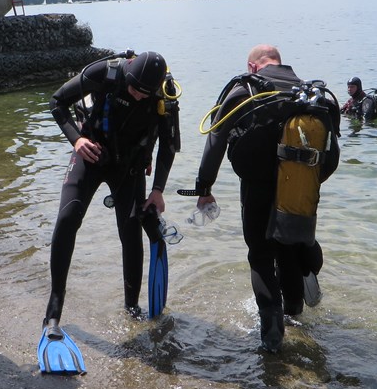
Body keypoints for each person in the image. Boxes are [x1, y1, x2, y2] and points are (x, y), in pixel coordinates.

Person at [186, 45, 338, 352]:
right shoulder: (308, 93)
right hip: (298, 186)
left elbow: (215, 139)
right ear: (279, 62)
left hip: (256, 187)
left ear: (252, 66)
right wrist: (308, 183)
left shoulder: (245, 89)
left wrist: (204, 187)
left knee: (260, 256)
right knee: (289, 249)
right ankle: (294, 314)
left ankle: (272, 335)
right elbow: (331, 155)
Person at [40, 50, 179, 370]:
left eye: (144, 93)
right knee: (67, 219)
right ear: (128, 75)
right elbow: (57, 102)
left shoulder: (164, 95)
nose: (138, 95)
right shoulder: (105, 73)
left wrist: (158, 190)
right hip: (89, 156)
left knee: (131, 233)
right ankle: (53, 315)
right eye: (134, 89)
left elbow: (169, 146)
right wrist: (76, 140)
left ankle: (132, 309)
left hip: (129, 168)